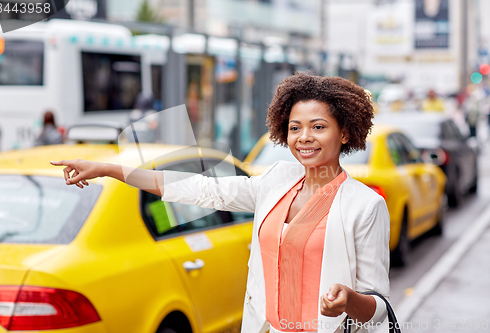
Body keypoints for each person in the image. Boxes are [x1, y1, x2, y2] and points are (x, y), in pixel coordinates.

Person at [51, 72, 390, 333]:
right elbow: (200, 189)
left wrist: (349, 300)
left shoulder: (365, 205)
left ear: (344, 133)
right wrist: (110, 169)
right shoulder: (277, 181)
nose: (304, 138)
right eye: (294, 127)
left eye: (318, 127)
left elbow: (379, 308)